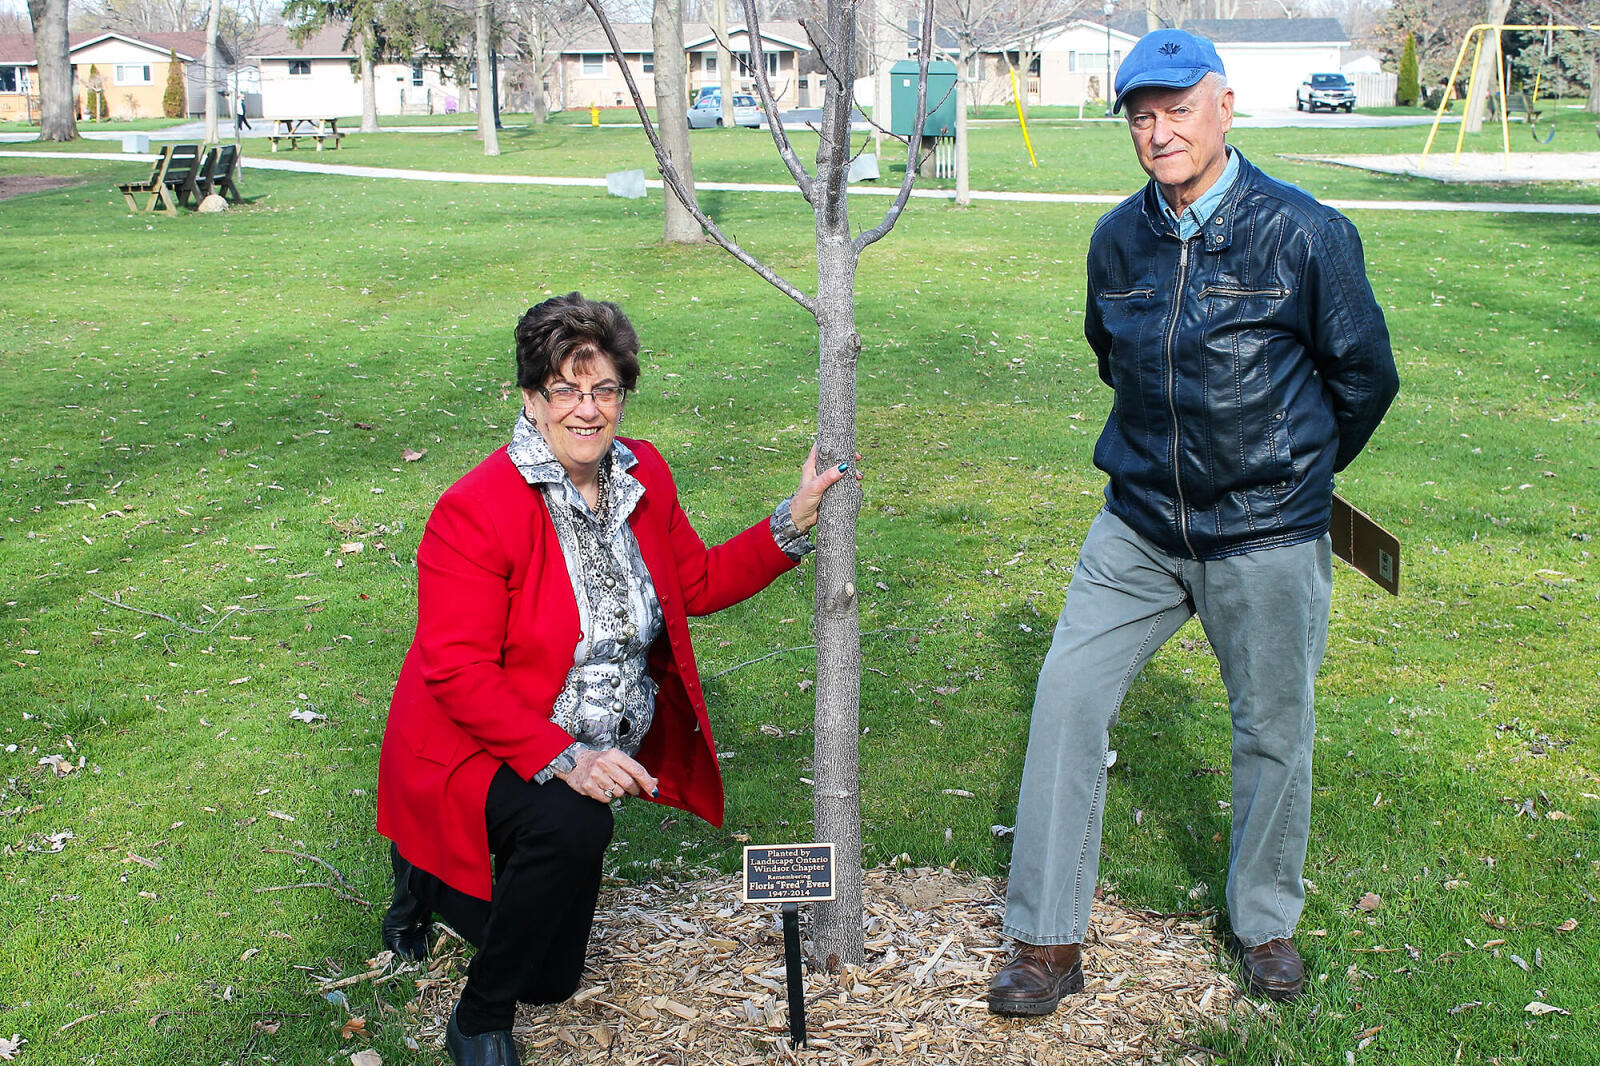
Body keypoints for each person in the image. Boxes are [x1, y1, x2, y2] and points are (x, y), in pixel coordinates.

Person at [986, 29, 1398, 1016]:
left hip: (1264, 531)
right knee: (1066, 703)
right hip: (1135, 525)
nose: (1157, 130)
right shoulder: (1115, 240)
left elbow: (1363, 376)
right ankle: (1045, 940)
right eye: (1140, 113)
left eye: (1175, 107)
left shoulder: (1304, 233)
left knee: (1272, 732)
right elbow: (1113, 358)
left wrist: (1293, 474)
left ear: (1223, 104)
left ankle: (1262, 921)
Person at [376, 292, 854, 1066]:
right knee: (573, 822)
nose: (587, 410)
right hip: (471, 744)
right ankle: (477, 1014)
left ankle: (425, 882)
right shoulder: (475, 509)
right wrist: (571, 759)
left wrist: (793, 520)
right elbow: (457, 672)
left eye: (604, 390)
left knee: (556, 980)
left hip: (571, 749)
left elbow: (692, 582)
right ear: (531, 400)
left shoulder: (643, 473)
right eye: (565, 389)